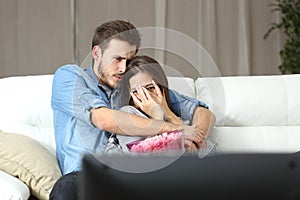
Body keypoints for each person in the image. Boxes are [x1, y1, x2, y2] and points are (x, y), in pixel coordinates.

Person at [50, 20, 215, 200]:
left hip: (130, 175)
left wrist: (196, 141)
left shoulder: (134, 85)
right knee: (66, 190)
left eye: (128, 60)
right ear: (96, 53)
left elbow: (202, 111)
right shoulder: (70, 77)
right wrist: (176, 130)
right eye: (117, 59)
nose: (123, 68)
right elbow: (103, 119)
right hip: (84, 176)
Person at [104, 55, 215, 155]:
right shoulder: (127, 112)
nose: (146, 96)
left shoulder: (171, 100)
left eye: (150, 88)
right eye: (137, 91)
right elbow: (143, 156)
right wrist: (157, 115)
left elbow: (204, 116)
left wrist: (168, 113)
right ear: (129, 92)